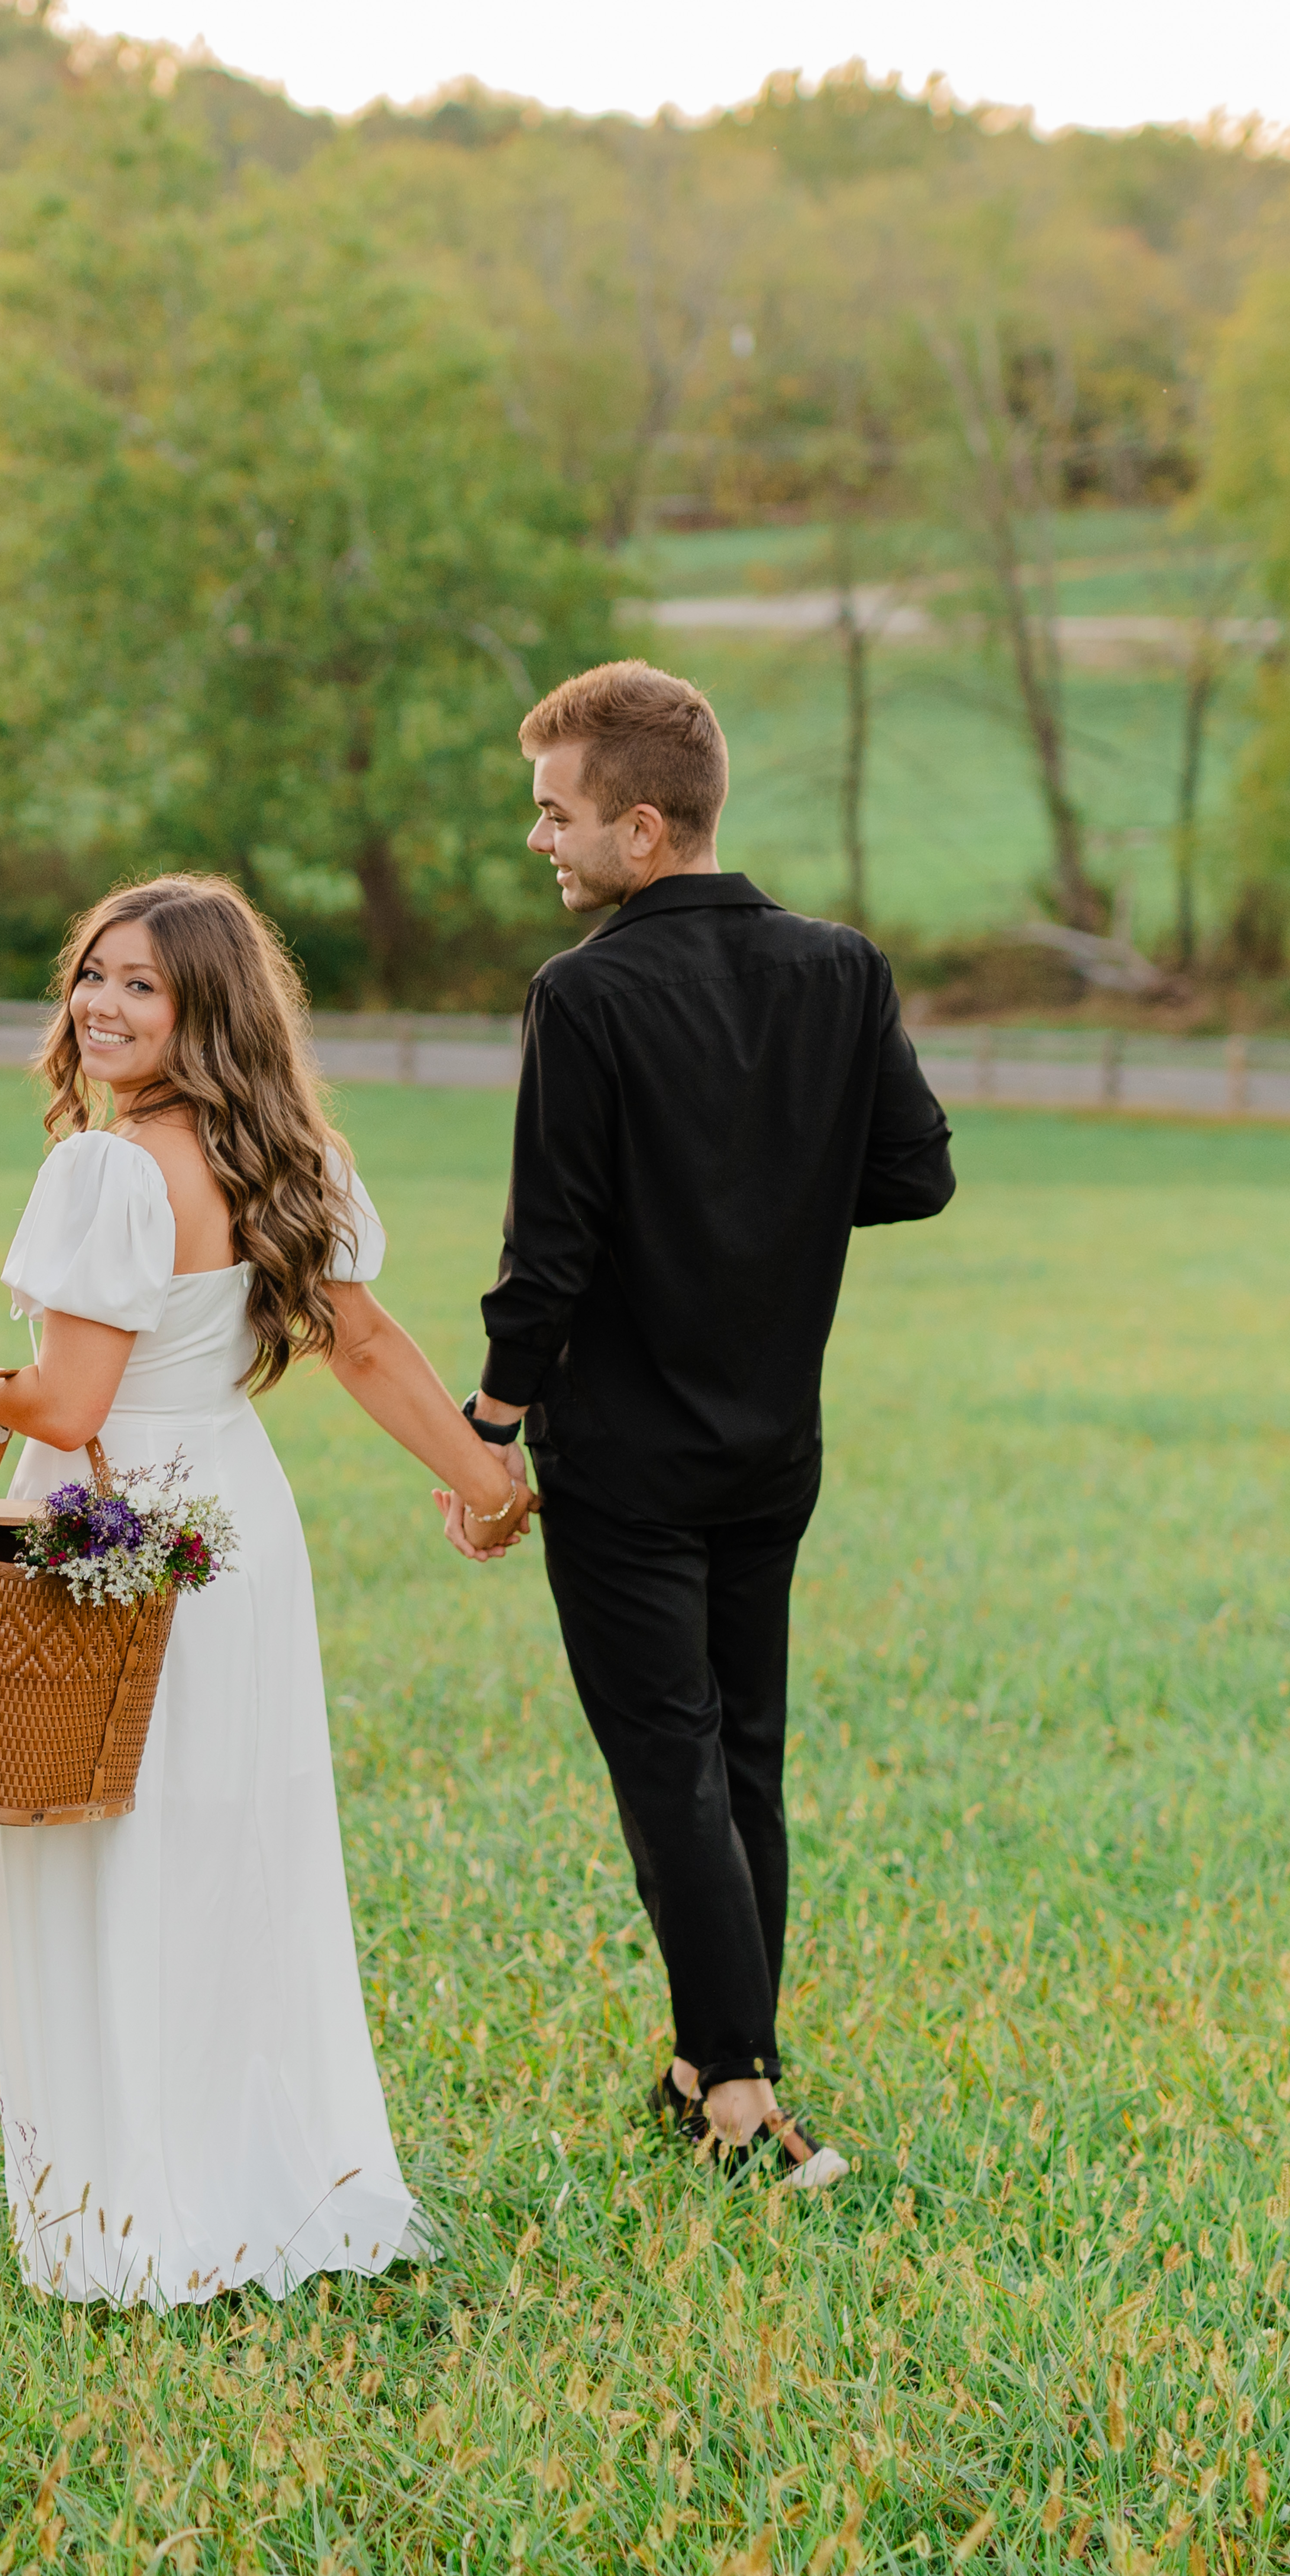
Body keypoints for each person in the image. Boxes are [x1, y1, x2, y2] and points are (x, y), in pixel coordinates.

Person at [0, 873, 529, 2307]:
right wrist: (488, 1483)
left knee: (103, 1848)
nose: (99, 1003)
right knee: (242, 1847)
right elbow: (371, 1347)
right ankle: (277, 2184)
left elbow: (65, 1397)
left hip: (114, 1534)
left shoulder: (108, 1171)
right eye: (91, 974)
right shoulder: (295, 1159)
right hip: (240, 1524)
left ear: (204, 1004)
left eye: (139, 984)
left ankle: (129, 2213)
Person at [442, 659, 957, 2192]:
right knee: (745, 1757)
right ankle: (702, 2061)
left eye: (557, 814)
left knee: (670, 1764)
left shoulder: (586, 995)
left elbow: (552, 1258)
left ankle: (738, 2088)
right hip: (771, 1446)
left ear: (644, 827)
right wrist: (771, 1191)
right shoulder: (842, 968)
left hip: (627, 1458)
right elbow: (916, 1174)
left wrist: (488, 1425)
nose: (542, 839)